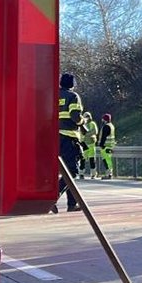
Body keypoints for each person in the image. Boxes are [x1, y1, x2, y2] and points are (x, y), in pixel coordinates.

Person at [56, 73, 84, 213]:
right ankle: (54, 196)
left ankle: (72, 204)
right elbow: (75, 116)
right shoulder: (73, 96)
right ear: (72, 84)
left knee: (65, 171)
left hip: (55, 137)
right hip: (69, 137)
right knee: (72, 171)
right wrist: (82, 121)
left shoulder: (55, 95)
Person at [79, 112, 100, 178]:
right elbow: (94, 132)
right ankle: (82, 173)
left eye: (87, 116)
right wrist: (89, 134)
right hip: (86, 143)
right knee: (84, 159)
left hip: (89, 143)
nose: (87, 118)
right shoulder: (84, 124)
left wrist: (86, 134)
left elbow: (95, 132)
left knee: (90, 159)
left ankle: (91, 174)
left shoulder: (91, 124)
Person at [98, 113, 116, 179]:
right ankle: (110, 173)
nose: (102, 120)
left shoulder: (106, 126)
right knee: (109, 160)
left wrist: (101, 145)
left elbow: (104, 137)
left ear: (105, 119)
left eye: (103, 119)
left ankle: (108, 174)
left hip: (105, 146)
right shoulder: (112, 126)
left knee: (106, 160)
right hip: (111, 145)